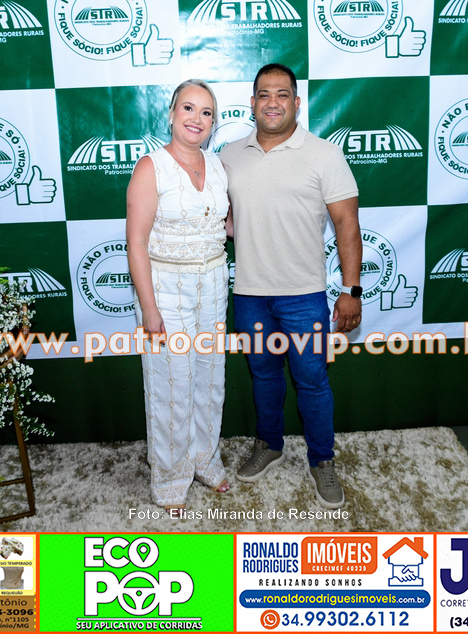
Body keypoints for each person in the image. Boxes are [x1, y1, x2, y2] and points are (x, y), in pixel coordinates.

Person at [219, 63, 362, 509]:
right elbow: (222, 217)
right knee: (263, 376)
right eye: (264, 94)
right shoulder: (229, 155)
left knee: (312, 381)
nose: (273, 102)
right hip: (249, 294)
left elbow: (347, 224)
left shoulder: (325, 154)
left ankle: (322, 460)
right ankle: (270, 444)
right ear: (252, 103)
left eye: (282, 94)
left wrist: (351, 290)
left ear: (297, 102)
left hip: (303, 295)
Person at [126, 79, 230, 514]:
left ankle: (204, 459)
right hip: (166, 290)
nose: (196, 119)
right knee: (172, 385)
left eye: (206, 112)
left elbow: (223, 224)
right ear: (171, 114)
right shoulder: (150, 167)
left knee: (210, 378)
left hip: (214, 284)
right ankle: (169, 475)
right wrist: (150, 309)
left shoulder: (218, 164)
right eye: (188, 108)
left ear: (213, 122)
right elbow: (135, 243)